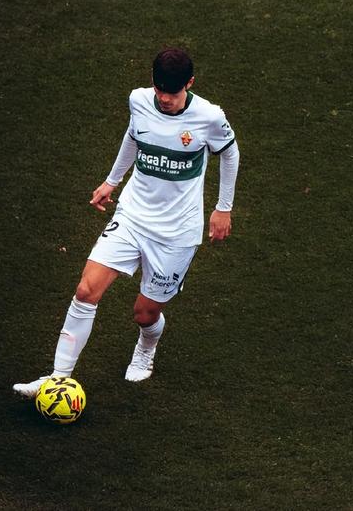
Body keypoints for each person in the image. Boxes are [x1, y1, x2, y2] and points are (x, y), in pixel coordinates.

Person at [14, 47, 240, 394]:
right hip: (133, 216)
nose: (164, 98)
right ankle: (57, 379)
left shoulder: (209, 117)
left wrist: (223, 208)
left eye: (173, 92)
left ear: (190, 83)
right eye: (160, 89)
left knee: (144, 314)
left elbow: (230, 153)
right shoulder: (138, 100)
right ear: (152, 81)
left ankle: (146, 347)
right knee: (86, 290)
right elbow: (134, 137)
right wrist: (112, 181)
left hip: (176, 232)